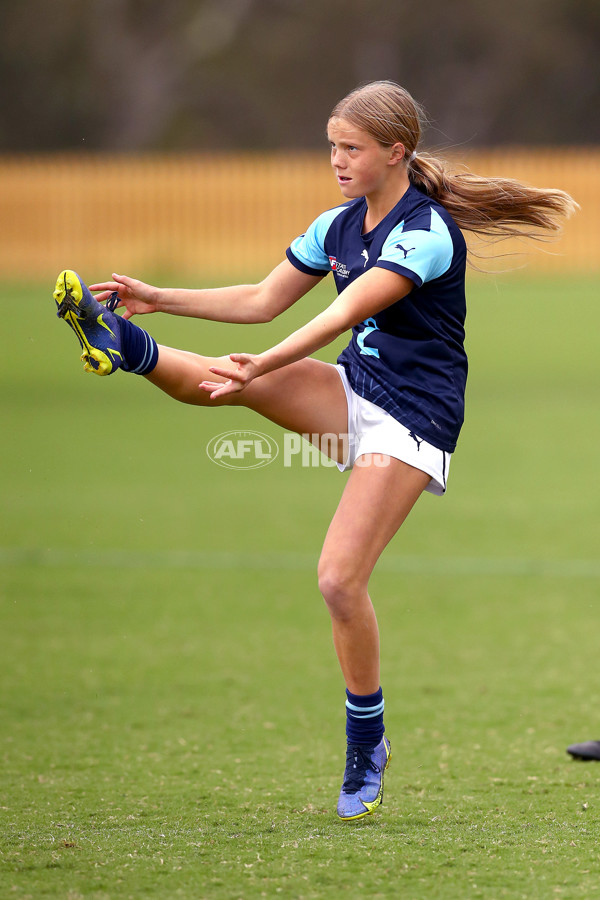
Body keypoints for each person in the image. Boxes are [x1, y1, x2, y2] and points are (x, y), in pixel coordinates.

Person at [53, 80, 576, 821]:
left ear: (397, 151)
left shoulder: (422, 233)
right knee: (226, 387)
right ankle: (129, 345)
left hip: (413, 421)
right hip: (355, 390)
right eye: (332, 144)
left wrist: (264, 362)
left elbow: (340, 313)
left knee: (337, 580)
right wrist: (160, 295)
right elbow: (263, 300)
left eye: (351, 147)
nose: (336, 158)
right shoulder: (335, 227)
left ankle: (368, 740)